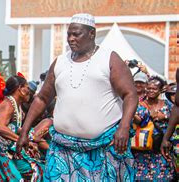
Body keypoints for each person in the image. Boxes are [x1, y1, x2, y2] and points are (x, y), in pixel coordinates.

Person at [16, 13, 137, 181]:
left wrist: (124, 127)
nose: (71, 39)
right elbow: (42, 98)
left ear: (91, 34)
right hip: (62, 149)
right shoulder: (60, 62)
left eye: (76, 34)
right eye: (69, 34)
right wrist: (25, 131)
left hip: (102, 149)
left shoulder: (109, 58)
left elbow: (130, 94)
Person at [134, 76, 176, 180]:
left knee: (164, 177)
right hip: (142, 151)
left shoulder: (168, 105)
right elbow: (138, 120)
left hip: (162, 149)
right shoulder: (140, 104)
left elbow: (176, 117)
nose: (150, 91)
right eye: (148, 88)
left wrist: (164, 116)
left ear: (161, 90)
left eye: (154, 89)